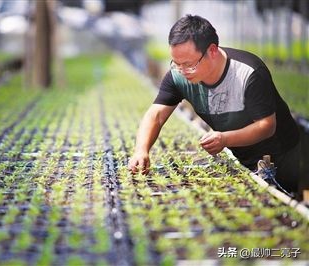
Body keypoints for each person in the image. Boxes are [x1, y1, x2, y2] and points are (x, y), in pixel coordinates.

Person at [128, 15, 300, 195]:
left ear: (212, 51)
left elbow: (267, 126)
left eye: (189, 64)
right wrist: (141, 150)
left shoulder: (248, 73)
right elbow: (155, 115)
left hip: (283, 157)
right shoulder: (178, 75)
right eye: (176, 63)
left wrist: (225, 139)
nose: (183, 71)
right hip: (240, 157)